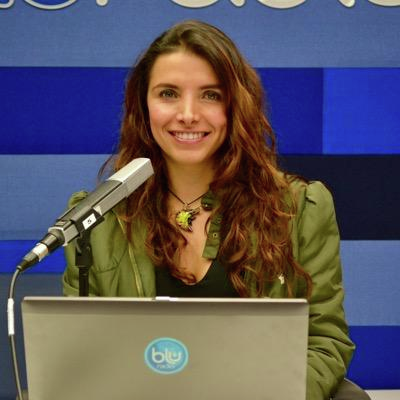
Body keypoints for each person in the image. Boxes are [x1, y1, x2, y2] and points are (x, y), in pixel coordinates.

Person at [63, 20, 369, 400]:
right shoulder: (97, 218)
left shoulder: (300, 209)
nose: (188, 114)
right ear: (143, 106)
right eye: (168, 93)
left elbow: (323, 341)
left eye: (210, 95)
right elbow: (79, 355)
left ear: (235, 105)